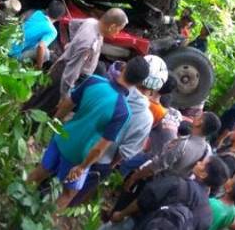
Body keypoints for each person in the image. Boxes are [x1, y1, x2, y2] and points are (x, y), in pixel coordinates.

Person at [26, 56, 150, 210]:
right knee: (67, 194)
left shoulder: (94, 81)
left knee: (42, 170)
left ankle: (18, 198)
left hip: (64, 136)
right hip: (80, 155)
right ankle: (41, 220)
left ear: (124, 67)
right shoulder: (123, 111)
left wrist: (54, 126)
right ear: (139, 83)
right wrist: (82, 167)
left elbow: (66, 105)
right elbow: (100, 148)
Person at [22, 8, 129, 116]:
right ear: (112, 27)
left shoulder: (91, 22)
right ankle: (23, 124)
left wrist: (72, 45)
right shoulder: (88, 44)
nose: (118, 33)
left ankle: (21, 117)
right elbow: (71, 72)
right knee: (41, 108)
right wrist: (64, 96)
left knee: (39, 98)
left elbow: (73, 24)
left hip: (63, 68)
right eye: (119, 29)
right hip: (63, 77)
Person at [69, 72, 154, 207]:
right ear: (153, 90)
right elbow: (125, 151)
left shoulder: (110, 88)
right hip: (103, 159)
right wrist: (111, 165)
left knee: (55, 178)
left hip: (80, 142)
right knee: (71, 195)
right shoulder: (146, 118)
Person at [102, 156, 230, 230]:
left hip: (138, 224)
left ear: (203, 174)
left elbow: (143, 200)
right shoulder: (207, 215)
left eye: (202, 163)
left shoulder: (177, 184)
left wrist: (121, 214)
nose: (198, 162)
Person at [124, 112, 221, 189]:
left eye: (200, 115)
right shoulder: (207, 150)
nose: (196, 115)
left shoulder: (183, 145)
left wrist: (134, 177)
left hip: (155, 183)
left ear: (200, 122)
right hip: (174, 188)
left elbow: (156, 166)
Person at [9, 0, 66, 68]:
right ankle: (30, 67)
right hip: (14, 55)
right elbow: (41, 46)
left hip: (6, 45)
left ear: (47, 9)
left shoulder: (38, 13)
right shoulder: (52, 31)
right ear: (60, 18)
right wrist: (39, 67)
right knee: (46, 53)